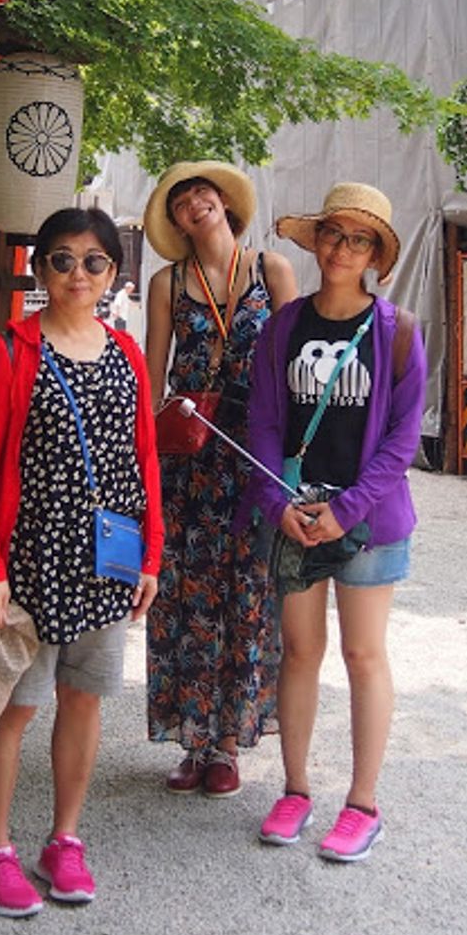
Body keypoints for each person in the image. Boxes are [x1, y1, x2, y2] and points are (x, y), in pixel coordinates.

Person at [0, 207, 163, 918]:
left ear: (113, 272)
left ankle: (64, 840)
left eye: (94, 261)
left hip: (108, 561)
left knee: (85, 699)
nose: (78, 274)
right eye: (62, 259)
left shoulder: (127, 354)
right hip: (31, 562)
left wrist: (151, 557)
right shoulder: (10, 352)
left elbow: (142, 462)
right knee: (11, 709)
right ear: (40, 268)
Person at [239, 182, 425, 862]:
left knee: (363, 654)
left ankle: (363, 803)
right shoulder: (284, 328)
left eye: (359, 239)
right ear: (314, 239)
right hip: (294, 513)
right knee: (300, 651)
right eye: (333, 233)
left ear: (375, 254)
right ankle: (293, 788)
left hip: (369, 520)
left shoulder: (398, 332)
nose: (342, 248)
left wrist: (344, 508)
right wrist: (275, 504)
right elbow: (262, 420)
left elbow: (403, 440)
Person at [143, 161, 296, 797]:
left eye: (201, 192)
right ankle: (192, 738)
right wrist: (141, 457)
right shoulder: (166, 281)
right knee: (186, 593)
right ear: (175, 222)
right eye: (180, 201)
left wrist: (295, 459)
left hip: (254, 452)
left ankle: (229, 742)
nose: (193, 204)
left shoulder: (272, 269)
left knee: (248, 592)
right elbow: (153, 372)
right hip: (190, 454)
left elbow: (294, 364)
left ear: (224, 201)